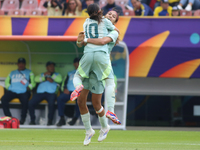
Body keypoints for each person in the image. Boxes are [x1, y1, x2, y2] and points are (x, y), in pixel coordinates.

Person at [74, 7, 120, 145]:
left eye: (113, 16)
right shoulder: (97, 24)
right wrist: (80, 40)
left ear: (115, 22)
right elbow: (81, 43)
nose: (110, 15)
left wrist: (86, 39)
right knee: (81, 101)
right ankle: (89, 131)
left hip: (99, 69)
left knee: (96, 104)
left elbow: (101, 41)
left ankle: (105, 127)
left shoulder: (113, 32)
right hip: (90, 64)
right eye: (109, 13)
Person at [1, 58, 36, 125]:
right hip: (13, 91)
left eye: (22, 63)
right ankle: (9, 118)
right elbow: (7, 82)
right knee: (4, 99)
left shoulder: (29, 72)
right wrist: (9, 87)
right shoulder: (12, 72)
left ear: (25, 64)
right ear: (17, 64)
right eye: (20, 63)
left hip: (24, 91)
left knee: (25, 101)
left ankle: (22, 119)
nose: (21, 65)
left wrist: (29, 87)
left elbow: (33, 83)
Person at [28, 61, 62, 125]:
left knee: (51, 104)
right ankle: (32, 120)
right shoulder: (43, 74)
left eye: (53, 66)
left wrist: (51, 75)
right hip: (40, 93)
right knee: (30, 103)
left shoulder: (57, 74)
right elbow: (36, 79)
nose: (52, 67)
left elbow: (59, 80)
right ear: (47, 67)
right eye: (50, 66)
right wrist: (46, 78)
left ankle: (50, 120)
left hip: (51, 92)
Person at [56, 58, 80, 126]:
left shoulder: (85, 73)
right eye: (77, 62)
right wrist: (64, 89)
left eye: (79, 62)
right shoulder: (70, 73)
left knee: (80, 100)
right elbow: (64, 82)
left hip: (78, 92)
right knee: (60, 98)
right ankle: (62, 118)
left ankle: (75, 118)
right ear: (74, 64)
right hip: (69, 92)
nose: (78, 64)